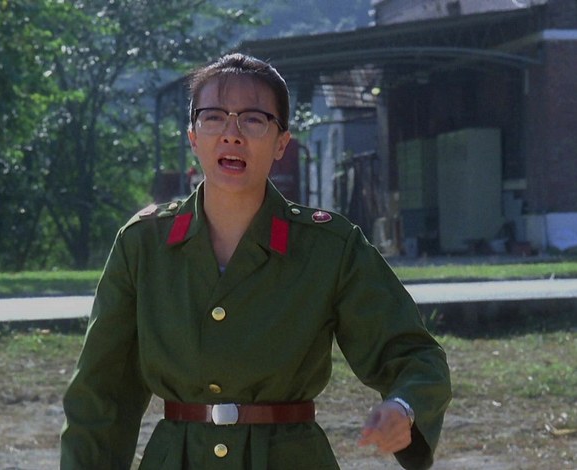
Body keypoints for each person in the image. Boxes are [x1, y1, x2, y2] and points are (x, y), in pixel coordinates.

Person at [60, 53, 451, 469]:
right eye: (213, 118)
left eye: (253, 120)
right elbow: (100, 395)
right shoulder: (144, 245)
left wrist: (404, 407)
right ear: (193, 137)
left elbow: (414, 356)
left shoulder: (328, 247)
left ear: (282, 142)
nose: (232, 135)